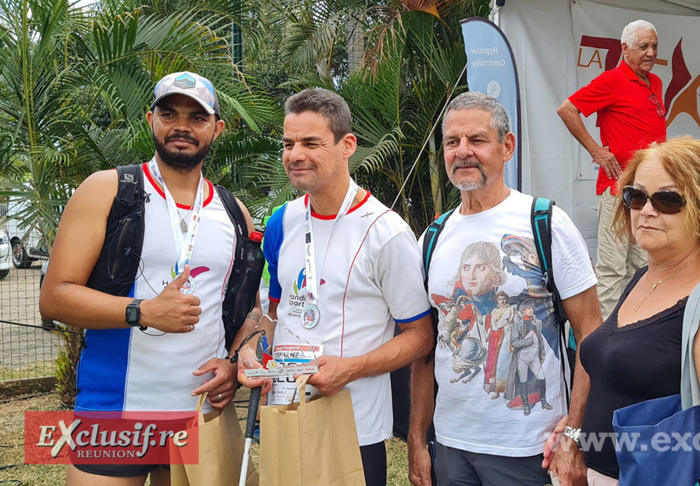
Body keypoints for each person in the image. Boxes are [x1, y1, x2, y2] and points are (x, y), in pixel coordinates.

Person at [40, 71, 255, 485]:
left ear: (217, 128)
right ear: (149, 119)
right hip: (114, 409)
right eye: (169, 113)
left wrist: (232, 364)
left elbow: (251, 311)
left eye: (197, 117)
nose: (182, 126)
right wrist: (143, 311)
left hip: (200, 414)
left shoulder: (234, 212)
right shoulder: (108, 189)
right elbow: (55, 298)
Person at [235, 88, 434, 486]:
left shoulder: (386, 231)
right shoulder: (281, 221)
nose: (295, 155)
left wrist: (351, 369)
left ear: (347, 146)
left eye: (311, 143)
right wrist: (250, 349)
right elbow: (276, 313)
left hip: (355, 425)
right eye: (288, 144)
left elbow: (421, 337)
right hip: (286, 413)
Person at [409, 92, 602, 486]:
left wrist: (575, 434)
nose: (463, 152)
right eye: (452, 142)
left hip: (531, 447)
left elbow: (591, 335)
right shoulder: (433, 237)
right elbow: (427, 348)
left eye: (477, 140)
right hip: (451, 445)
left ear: (507, 146)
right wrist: (417, 438)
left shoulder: (545, 222)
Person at [546, 136, 700, 484]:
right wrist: (574, 434)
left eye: (668, 200)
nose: (646, 210)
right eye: (636, 195)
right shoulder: (647, 276)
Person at [557, 19, 667, 319]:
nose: (651, 52)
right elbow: (567, 109)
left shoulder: (654, 82)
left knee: (638, 267)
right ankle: (604, 343)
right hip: (618, 189)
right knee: (612, 269)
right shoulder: (613, 80)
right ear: (625, 49)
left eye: (654, 46)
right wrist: (595, 149)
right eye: (643, 46)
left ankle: (628, 328)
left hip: (648, 193)